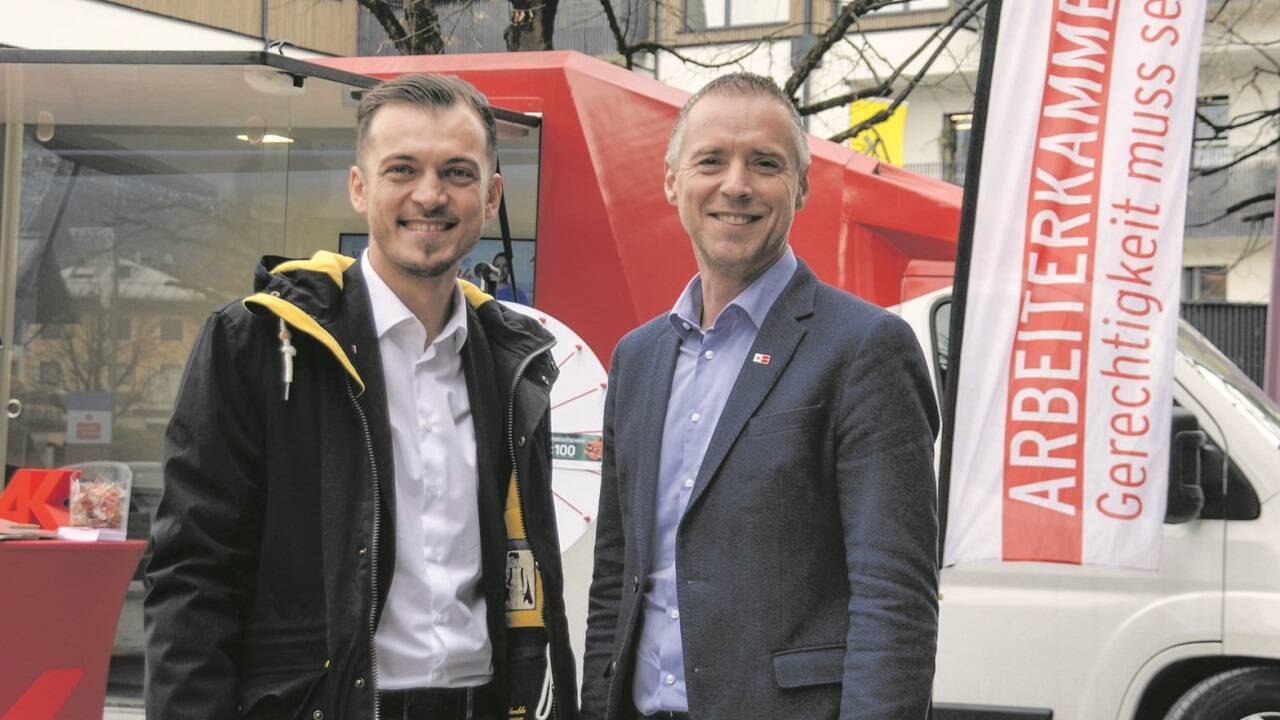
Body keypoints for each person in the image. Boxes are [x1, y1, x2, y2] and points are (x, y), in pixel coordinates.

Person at [145, 74, 578, 720]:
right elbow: (193, 575)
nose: (429, 194)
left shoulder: (512, 361)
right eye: (402, 169)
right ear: (359, 187)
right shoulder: (257, 343)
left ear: (491, 197)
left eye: (457, 173)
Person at [580, 73, 940, 720]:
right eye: (710, 161)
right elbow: (615, 578)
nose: (736, 184)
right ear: (672, 181)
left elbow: (895, 600)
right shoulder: (637, 358)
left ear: (801, 185)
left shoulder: (865, 348)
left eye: (765, 163)